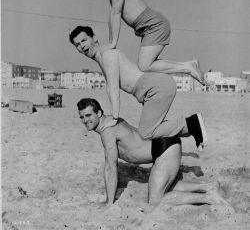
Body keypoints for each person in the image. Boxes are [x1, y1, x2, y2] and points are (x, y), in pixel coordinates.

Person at [69, 25, 207, 150]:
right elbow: (110, 88)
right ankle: (190, 129)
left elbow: (113, 88)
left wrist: (114, 118)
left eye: (84, 40)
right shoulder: (103, 57)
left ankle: (192, 123)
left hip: (155, 87)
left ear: (94, 38)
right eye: (77, 44)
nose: (82, 46)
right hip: (151, 89)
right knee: (153, 128)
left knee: (146, 132)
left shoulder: (107, 55)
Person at [77, 98, 229, 209]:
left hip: (164, 149)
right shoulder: (111, 120)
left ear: (99, 113)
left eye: (89, 115)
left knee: (155, 201)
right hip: (163, 145)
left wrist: (109, 203)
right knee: (165, 187)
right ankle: (209, 186)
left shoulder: (107, 131)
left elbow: (111, 166)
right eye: (82, 117)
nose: (85, 120)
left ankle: (208, 197)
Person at [91, 0, 205, 85]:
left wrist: (113, 43)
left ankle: (187, 67)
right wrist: (110, 43)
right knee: (146, 65)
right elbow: (112, 15)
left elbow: (116, 13)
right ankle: (188, 66)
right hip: (148, 28)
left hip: (154, 25)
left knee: (144, 65)